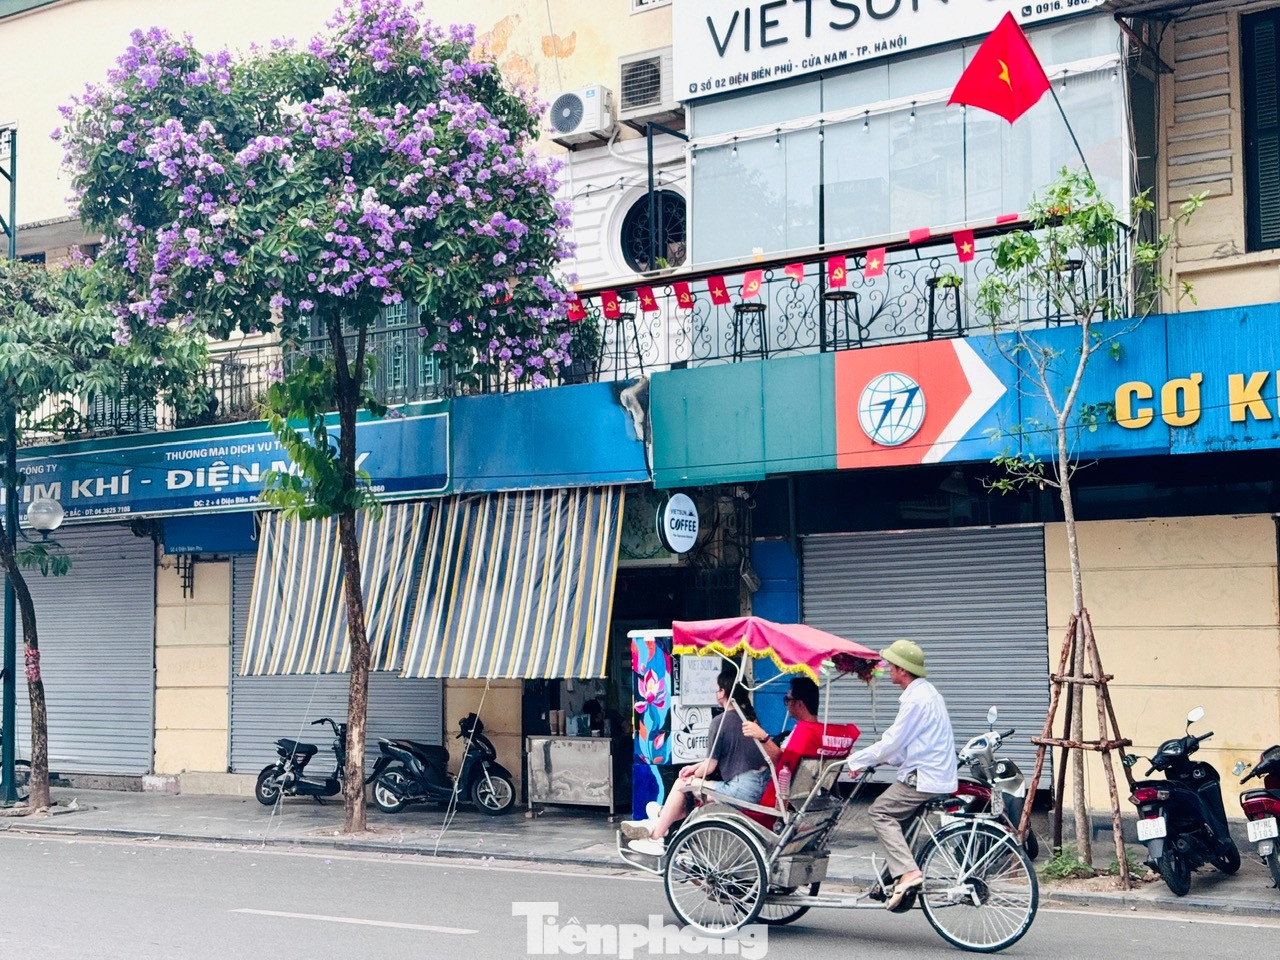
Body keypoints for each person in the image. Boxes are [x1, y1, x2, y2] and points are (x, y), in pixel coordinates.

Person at [846, 639, 957, 911]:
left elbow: (894, 740)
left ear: (903, 670)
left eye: (891, 666)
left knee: (880, 812)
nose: (887, 669)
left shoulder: (916, 699)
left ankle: (908, 873)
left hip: (924, 777)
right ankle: (887, 883)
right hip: (934, 773)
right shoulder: (928, 694)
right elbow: (908, 744)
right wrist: (886, 759)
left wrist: (856, 760)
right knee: (900, 819)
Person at [623, 666, 769, 855]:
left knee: (682, 783)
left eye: (717, 689)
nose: (716, 693)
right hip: (759, 786)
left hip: (740, 791)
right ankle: (659, 818)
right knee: (691, 789)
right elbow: (712, 761)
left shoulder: (720, 721)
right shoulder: (751, 719)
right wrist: (694, 767)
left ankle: (657, 835)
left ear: (723, 693)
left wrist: (691, 773)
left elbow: (710, 766)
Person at [740, 676, 860, 826]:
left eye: (788, 700)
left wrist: (762, 737)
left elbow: (782, 761)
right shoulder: (821, 734)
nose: (786, 705)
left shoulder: (805, 733)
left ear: (799, 704)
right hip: (809, 795)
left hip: (785, 795)